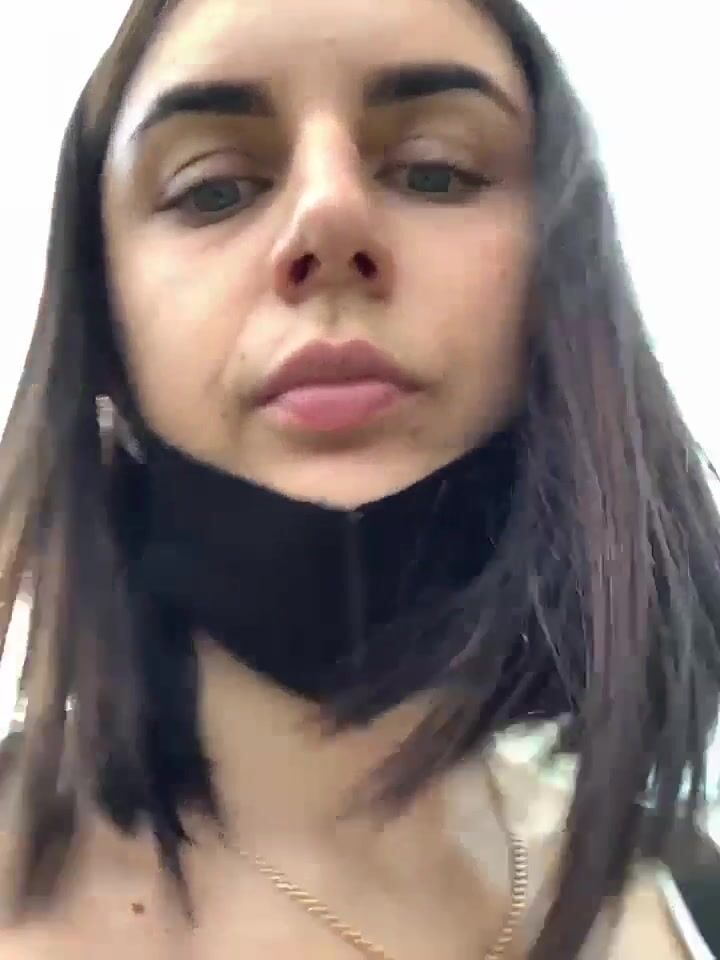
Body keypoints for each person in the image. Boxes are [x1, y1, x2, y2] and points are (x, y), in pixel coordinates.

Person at [0, 0, 718, 957]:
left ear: (561, 289)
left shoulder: (686, 893)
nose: (328, 216)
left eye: (436, 171)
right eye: (213, 189)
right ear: (104, 338)